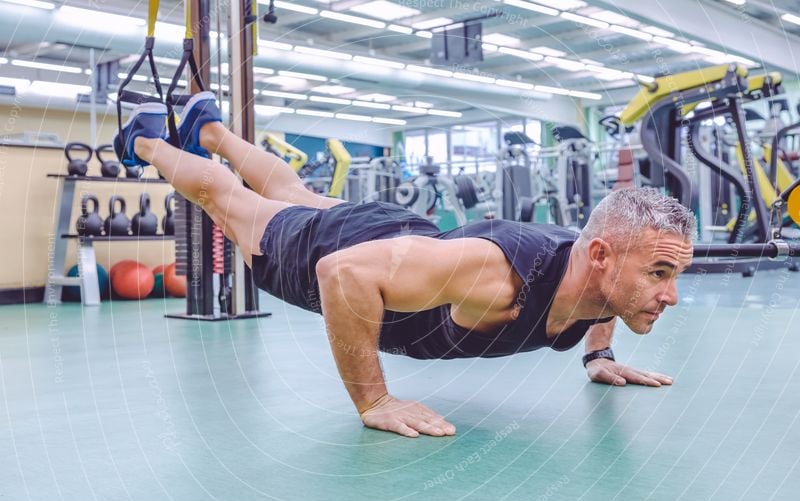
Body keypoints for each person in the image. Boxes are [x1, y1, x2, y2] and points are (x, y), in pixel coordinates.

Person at [114, 92, 696, 439]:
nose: (668, 294)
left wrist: (599, 353)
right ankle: (146, 140)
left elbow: (611, 271)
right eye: (659, 275)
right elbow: (343, 275)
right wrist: (374, 400)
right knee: (235, 206)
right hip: (342, 251)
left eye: (669, 275)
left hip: (402, 237)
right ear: (602, 258)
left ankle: (210, 128)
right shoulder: (500, 277)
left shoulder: (599, 266)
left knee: (291, 189)